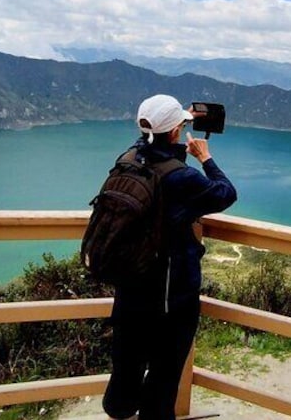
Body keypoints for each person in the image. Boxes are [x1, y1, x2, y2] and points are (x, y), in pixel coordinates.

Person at [102, 94, 237, 420]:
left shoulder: (129, 158)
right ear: (176, 131)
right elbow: (225, 193)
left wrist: (177, 120)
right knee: (163, 374)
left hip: (130, 286)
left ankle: (118, 410)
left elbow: (150, 142)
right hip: (169, 297)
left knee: (128, 361)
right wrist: (205, 159)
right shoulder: (181, 177)